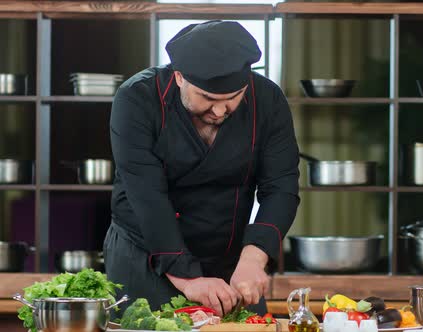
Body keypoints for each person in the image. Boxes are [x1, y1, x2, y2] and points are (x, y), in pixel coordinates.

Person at [103, 20, 300, 317]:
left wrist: (253, 259)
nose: (221, 111)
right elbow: (146, 196)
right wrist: (187, 277)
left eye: (234, 98)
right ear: (180, 77)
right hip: (146, 251)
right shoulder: (137, 98)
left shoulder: (269, 100)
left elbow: (281, 186)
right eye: (208, 98)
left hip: (228, 258)